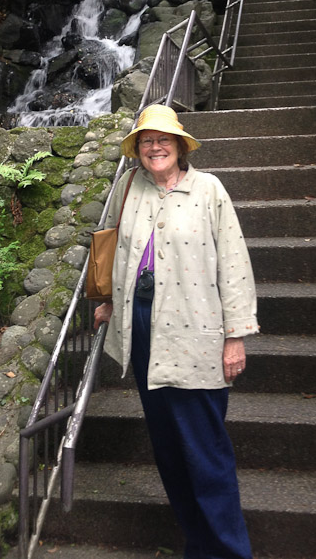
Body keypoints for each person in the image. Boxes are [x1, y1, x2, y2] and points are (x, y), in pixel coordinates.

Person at [94, 104, 259, 559]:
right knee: (168, 448)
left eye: (163, 139)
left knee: (205, 451)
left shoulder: (209, 190)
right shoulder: (131, 187)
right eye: (147, 141)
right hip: (144, 329)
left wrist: (235, 335)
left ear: (181, 145)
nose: (155, 147)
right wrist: (112, 303)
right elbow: (122, 253)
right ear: (138, 150)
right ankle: (198, 545)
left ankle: (229, 551)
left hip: (197, 333)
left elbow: (234, 263)